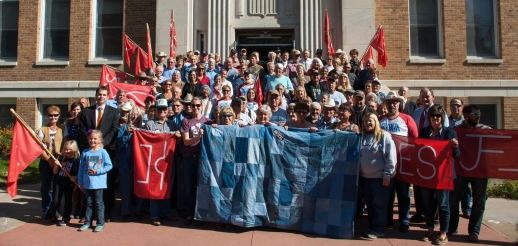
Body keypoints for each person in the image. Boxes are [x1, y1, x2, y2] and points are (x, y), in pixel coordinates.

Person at [449, 104, 492, 242]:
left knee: (479, 202)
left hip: (480, 171)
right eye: (474, 114)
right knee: (454, 200)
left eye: (479, 114)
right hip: (461, 170)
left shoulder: (486, 130)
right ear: (466, 116)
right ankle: (452, 227)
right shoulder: (456, 130)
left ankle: (474, 231)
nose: (478, 116)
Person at [419, 104, 460, 245]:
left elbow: (457, 155)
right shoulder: (424, 132)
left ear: (442, 118)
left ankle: (443, 233)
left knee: (443, 204)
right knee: (428, 203)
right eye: (433, 117)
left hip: (443, 175)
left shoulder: (450, 133)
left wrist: (455, 146)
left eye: (438, 117)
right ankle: (430, 229)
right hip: (428, 174)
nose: (435, 119)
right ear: (429, 118)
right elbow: (418, 151)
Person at [79, 86, 120, 221]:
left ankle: (106, 213)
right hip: (90, 152)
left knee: (106, 183)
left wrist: (102, 143)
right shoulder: (86, 112)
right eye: (99, 94)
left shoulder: (114, 112)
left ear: (107, 96)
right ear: (95, 96)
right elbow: (83, 129)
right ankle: (89, 215)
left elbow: (114, 130)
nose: (101, 97)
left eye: (104, 95)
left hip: (106, 151)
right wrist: (92, 142)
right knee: (90, 181)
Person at [379, 92, 418, 232]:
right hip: (385, 165)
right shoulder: (381, 120)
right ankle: (388, 220)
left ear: (399, 104)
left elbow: (415, 139)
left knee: (403, 194)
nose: (392, 105)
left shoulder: (407, 119)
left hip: (403, 164)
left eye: (394, 102)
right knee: (387, 195)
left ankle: (404, 221)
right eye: (389, 102)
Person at [359, 113, 397, 239]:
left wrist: (388, 174)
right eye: (364, 121)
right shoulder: (362, 137)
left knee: (379, 205)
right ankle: (372, 227)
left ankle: (379, 229)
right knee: (370, 205)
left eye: (370, 121)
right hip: (365, 178)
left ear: (376, 122)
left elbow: (391, 157)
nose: (367, 123)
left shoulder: (384, 136)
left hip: (380, 179)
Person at [144, 99, 173, 226]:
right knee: (155, 187)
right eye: (160, 109)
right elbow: (144, 139)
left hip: (167, 161)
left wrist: (176, 135)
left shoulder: (172, 124)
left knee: (167, 186)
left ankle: (166, 214)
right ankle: (154, 215)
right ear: (156, 110)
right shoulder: (149, 124)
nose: (162, 111)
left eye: (164, 109)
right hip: (154, 161)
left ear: (167, 110)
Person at [178, 97, 207, 224]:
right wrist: (198, 136)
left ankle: (200, 213)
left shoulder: (207, 121)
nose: (196, 107)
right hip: (188, 158)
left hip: (203, 159)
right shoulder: (186, 121)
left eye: (198, 105)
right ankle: (190, 214)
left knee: (201, 186)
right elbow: (186, 141)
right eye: (193, 105)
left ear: (201, 105)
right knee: (189, 187)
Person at [77, 130, 112, 232]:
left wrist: (98, 171)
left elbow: (109, 165)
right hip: (87, 183)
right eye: (90, 138)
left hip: (99, 184)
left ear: (100, 140)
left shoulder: (103, 152)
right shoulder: (85, 152)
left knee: (98, 203)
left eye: (95, 138)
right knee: (88, 203)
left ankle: (100, 223)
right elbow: (81, 168)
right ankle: (87, 222)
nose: (92, 140)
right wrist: (80, 181)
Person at [36, 105, 64, 220]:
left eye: (55, 115)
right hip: (45, 163)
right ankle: (46, 210)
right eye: (51, 115)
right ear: (47, 116)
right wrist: (49, 161)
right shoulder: (41, 130)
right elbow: (38, 149)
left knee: (56, 188)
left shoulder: (62, 130)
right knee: (46, 188)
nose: (53, 117)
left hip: (58, 163)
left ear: (59, 116)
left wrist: (56, 163)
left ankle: (55, 210)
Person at [53, 140, 80, 226]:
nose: (67, 151)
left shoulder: (76, 160)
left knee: (68, 201)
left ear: (74, 150)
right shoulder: (61, 158)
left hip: (69, 184)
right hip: (59, 182)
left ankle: (66, 218)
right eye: (66, 149)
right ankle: (55, 215)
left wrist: (74, 178)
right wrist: (56, 165)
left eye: (70, 149)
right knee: (56, 200)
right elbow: (54, 172)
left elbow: (77, 174)